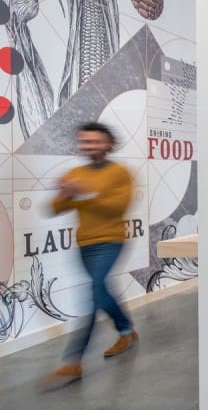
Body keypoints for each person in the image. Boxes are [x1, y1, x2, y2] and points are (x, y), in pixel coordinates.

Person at [39, 123, 139, 390]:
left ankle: (73, 361)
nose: (89, 146)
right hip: (84, 244)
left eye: (95, 142)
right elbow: (55, 209)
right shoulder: (75, 173)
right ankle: (127, 330)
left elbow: (118, 207)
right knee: (102, 291)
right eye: (85, 142)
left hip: (112, 241)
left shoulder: (120, 173)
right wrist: (64, 192)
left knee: (94, 292)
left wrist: (84, 192)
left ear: (108, 145)